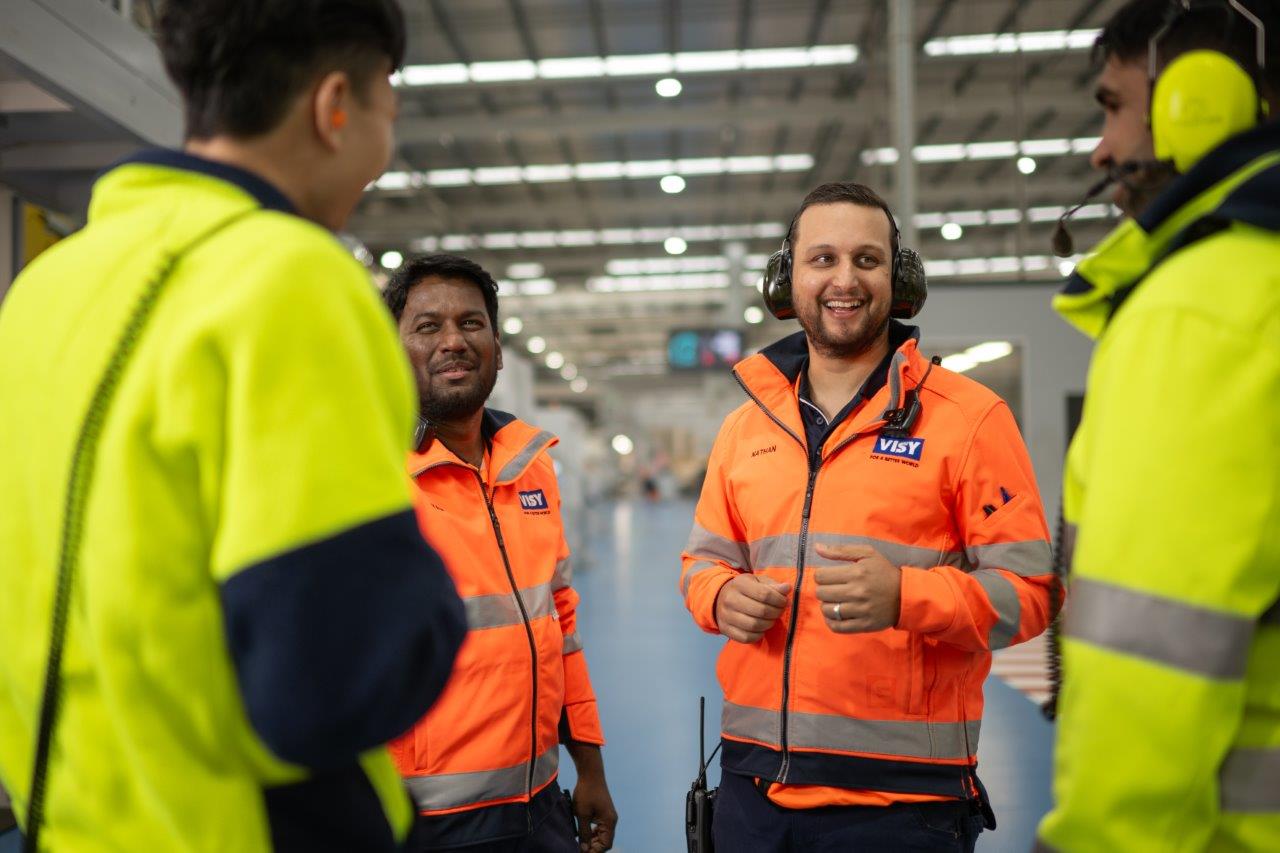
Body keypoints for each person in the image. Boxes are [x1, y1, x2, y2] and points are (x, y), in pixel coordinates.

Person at [0, 1, 467, 849]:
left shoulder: (44, 292)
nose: (379, 156)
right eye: (384, 116)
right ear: (334, 109)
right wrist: (434, 602)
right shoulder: (288, 280)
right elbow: (333, 682)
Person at [679, 182, 1056, 852]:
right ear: (785, 279)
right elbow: (702, 563)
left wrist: (906, 596)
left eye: (867, 259)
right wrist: (719, 594)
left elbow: (1031, 593)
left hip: (902, 804)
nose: (844, 279)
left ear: (899, 277)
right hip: (751, 788)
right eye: (822, 259)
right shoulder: (744, 427)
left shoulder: (970, 418)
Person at [1037, 1, 1280, 849]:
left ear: (1199, 97)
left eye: (1112, 105)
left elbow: (1152, 652)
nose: (1102, 150)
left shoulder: (1202, 307)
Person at [382, 254, 618, 853]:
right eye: (427, 326)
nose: (453, 341)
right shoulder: (366, 480)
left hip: (541, 806)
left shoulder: (530, 467)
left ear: (498, 346)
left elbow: (559, 626)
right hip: (426, 822)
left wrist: (588, 768)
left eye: (471, 323)